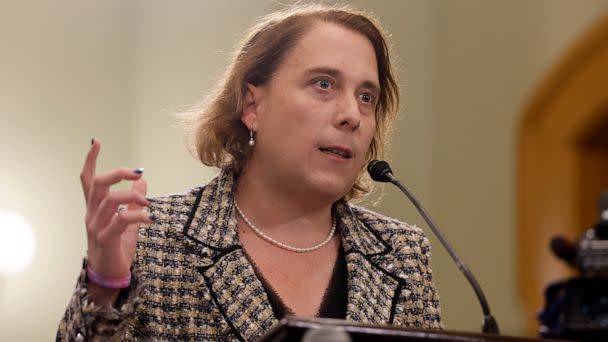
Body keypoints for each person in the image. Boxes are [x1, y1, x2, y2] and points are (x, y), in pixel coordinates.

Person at [57, 4, 441, 341]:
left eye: (366, 97)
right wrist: (105, 288)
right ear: (252, 106)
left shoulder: (401, 254)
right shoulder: (154, 239)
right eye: (324, 84)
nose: (351, 115)